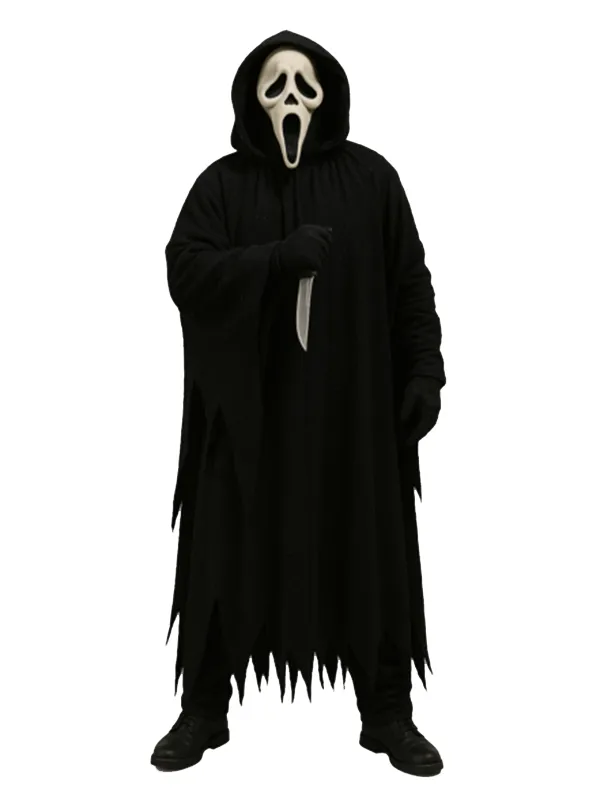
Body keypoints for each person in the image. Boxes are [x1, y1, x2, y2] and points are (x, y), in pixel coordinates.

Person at [151, 30, 447, 778]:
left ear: (328, 95)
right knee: (224, 552)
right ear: (252, 98)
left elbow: (410, 283)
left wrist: (425, 373)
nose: (290, 99)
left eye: (303, 84)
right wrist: (273, 261)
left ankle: (387, 712)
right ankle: (203, 708)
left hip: (353, 418)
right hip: (247, 421)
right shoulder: (221, 187)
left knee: (368, 546)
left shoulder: (373, 181)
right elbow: (185, 270)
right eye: (275, 84)